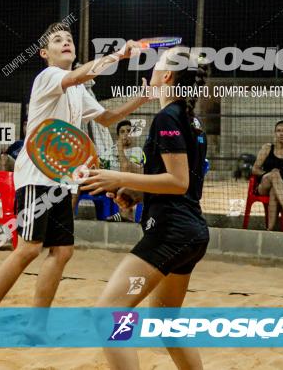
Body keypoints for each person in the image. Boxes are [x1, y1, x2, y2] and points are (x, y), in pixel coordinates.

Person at [0, 23, 152, 322]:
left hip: (61, 179)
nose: (65, 42)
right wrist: (118, 56)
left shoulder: (78, 90)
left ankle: (37, 323)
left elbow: (108, 118)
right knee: (29, 248)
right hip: (36, 175)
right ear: (45, 53)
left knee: (62, 251)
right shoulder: (49, 77)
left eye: (69, 39)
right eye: (57, 40)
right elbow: (78, 75)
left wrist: (143, 97)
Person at [82, 48, 209, 370]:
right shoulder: (189, 118)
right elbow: (184, 186)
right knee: (166, 324)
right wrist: (136, 192)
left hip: (171, 231)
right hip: (191, 232)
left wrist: (115, 176)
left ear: (167, 77)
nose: (152, 67)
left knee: (107, 317)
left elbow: (178, 182)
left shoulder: (168, 117)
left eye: (160, 64)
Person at [103, 119, 146, 222]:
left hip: (130, 183)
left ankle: (125, 214)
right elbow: (103, 167)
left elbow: (126, 167)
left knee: (126, 170)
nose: (126, 134)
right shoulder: (109, 151)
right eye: (122, 132)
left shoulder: (137, 150)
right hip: (111, 183)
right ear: (118, 136)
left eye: (129, 132)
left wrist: (120, 149)